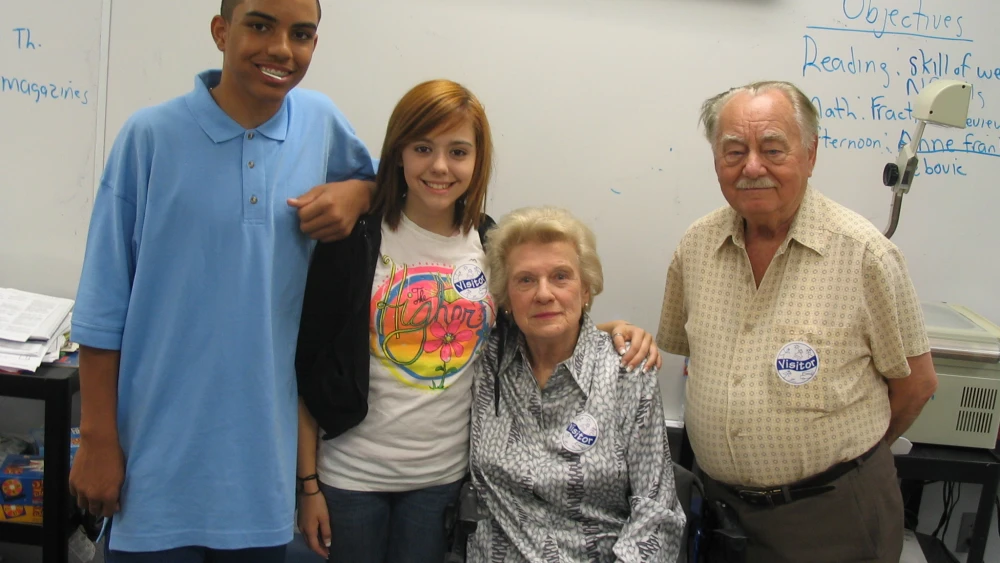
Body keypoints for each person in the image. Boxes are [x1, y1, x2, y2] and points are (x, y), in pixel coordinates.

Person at [294, 82, 661, 562]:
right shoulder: (357, 236)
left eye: (458, 151)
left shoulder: (489, 244)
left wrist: (610, 331)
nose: (440, 166)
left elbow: (535, 321)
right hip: (349, 478)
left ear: (477, 159)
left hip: (441, 482)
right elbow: (309, 362)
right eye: (423, 148)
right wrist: (308, 484)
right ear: (398, 152)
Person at [68, 0, 376, 559]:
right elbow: (102, 305)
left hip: (262, 476)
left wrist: (359, 192)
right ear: (220, 31)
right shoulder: (150, 137)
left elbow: (382, 190)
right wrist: (97, 439)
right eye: (260, 25)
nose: (282, 48)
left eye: (302, 34)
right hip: (153, 466)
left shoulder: (321, 123)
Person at [656, 80, 938, 563]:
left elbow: (916, 385)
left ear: (810, 155)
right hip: (718, 511)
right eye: (733, 151)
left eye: (772, 149)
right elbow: (690, 359)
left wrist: (850, 465)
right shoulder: (696, 246)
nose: (752, 167)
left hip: (829, 520)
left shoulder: (865, 254)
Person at [465, 206, 686, 562]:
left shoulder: (627, 373)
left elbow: (657, 513)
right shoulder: (483, 363)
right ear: (506, 299)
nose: (543, 294)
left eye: (560, 277)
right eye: (525, 280)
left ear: (586, 290)